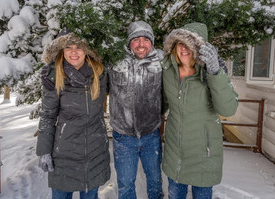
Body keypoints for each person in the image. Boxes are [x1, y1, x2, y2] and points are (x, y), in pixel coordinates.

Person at [161, 22, 238, 199]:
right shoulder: (167, 70)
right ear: (174, 45)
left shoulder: (212, 72)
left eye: (192, 44)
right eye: (181, 43)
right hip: (175, 153)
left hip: (204, 154)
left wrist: (215, 72)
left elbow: (228, 108)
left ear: (201, 49)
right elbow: (160, 103)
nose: (185, 49)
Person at [36, 29, 110, 199]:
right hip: (64, 155)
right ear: (62, 50)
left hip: (95, 153)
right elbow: (47, 115)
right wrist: (44, 151)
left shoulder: (100, 73)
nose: (74, 52)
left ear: (87, 50)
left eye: (79, 47)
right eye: (68, 47)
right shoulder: (55, 76)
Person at [108, 21, 164, 199]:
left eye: (146, 39)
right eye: (136, 39)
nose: (141, 44)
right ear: (129, 42)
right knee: (125, 185)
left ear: (152, 42)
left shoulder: (162, 61)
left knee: (155, 182)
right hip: (123, 137)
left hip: (151, 135)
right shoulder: (114, 61)